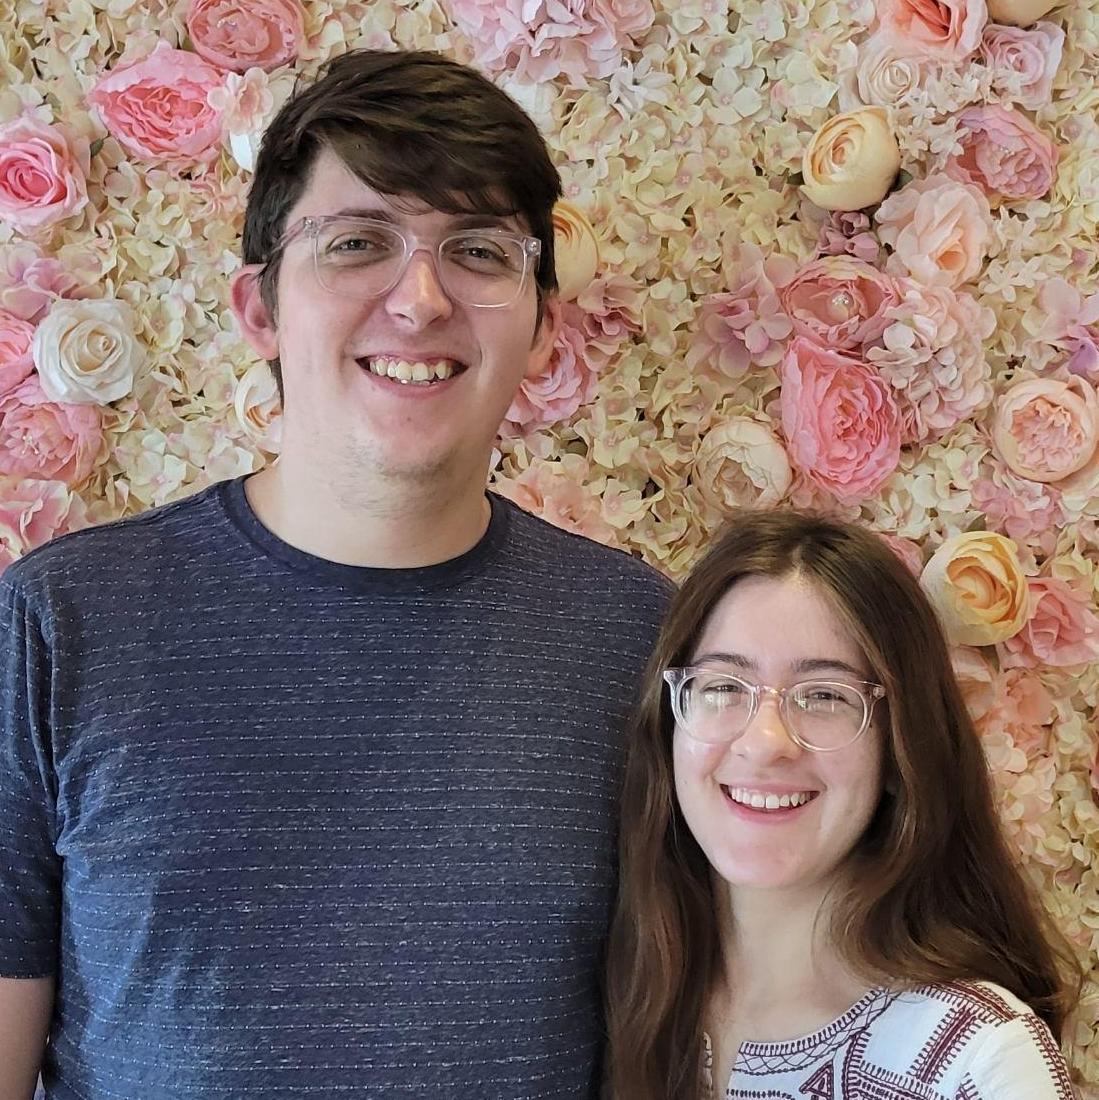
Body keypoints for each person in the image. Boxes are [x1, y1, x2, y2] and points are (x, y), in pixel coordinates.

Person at [0, 50, 672, 1099]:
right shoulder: (59, 623)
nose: (419, 298)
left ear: (541, 323)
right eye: (358, 241)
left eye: (479, 251)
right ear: (258, 308)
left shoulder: (641, 633)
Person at [605, 509, 1080, 1100]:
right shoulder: (630, 996)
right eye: (724, 686)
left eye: (825, 695)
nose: (765, 743)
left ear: (901, 746)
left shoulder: (976, 1061)